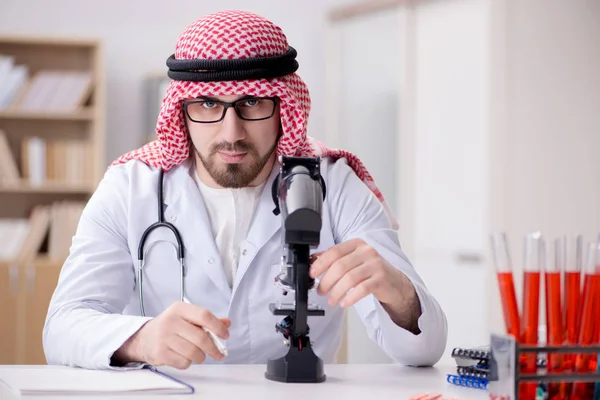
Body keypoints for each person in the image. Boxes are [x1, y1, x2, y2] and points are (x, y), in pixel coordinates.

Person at [43, 9, 447, 370]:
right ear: (181, 112)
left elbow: (424, 350)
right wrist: (139, 339)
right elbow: (62, 328)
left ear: (283, 107)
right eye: (206, 104)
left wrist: (400, 295)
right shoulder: (130, 187)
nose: (231, 133)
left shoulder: (334, 182)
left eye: (252, 102)